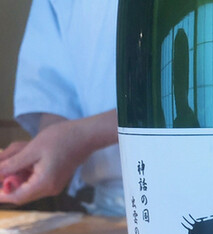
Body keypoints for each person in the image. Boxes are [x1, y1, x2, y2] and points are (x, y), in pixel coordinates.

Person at [0, 0, 123, 216]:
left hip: (186, 190)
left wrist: (82, 136)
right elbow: (54, 90)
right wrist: (39, 152)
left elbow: (184, 92)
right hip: (105, 208)